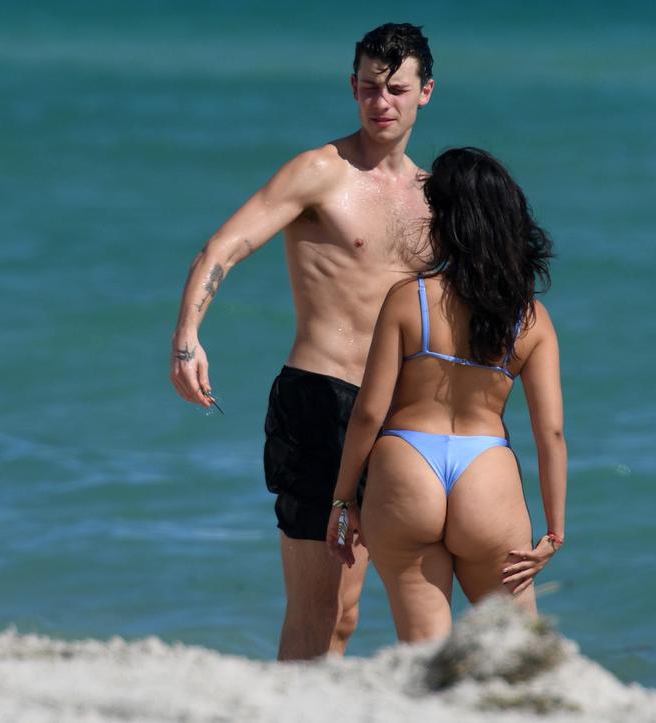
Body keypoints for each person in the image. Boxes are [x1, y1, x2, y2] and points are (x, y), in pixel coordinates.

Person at [168, 23, 436, 660]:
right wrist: (187, 338)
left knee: (362, 612)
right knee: (323, 612)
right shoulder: (320, 172)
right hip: (322, 398)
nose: (381, 102)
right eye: (368, 88)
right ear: (352, 87)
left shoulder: (435, 197)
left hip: (403, 413)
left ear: (425, 91)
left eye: (396, 89)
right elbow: (224, 247)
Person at [325, 147, 566, 642]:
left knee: (425, 652)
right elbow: (552, 434)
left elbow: (369, 412)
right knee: (516, 651)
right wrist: (554, 532)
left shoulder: (408, 298)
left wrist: (342, 500)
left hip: (406, 466)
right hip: (486, 474)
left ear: (447, 219)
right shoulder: (529, 319)